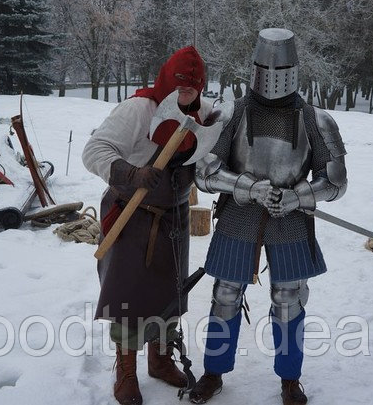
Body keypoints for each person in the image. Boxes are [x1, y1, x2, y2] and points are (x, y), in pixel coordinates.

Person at [189, 28, 347, 405]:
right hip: (238, 215)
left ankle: (290, 379)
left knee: (289, 299)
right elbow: (205, 171)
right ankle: (213, 372)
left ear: (295, 69)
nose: (273, 76)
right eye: (266, 67)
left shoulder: (315, 119)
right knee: (226, 294)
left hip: (290, 220)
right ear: (255, 67)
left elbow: (336, 181)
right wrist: (248, 186)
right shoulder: (232, 112)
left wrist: (298, 196)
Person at [82, 46, 211, 405]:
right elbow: (95, 150)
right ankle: (126, 372)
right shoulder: (138, 109)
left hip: (175, 215)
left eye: (193, 87)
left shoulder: (204, 114)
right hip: (133, 214)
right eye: (180, 85)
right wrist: (131, 172)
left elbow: (212, 157)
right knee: (129, 299)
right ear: (167, 79)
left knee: (170, 294)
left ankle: (160, 359)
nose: (185, 93)